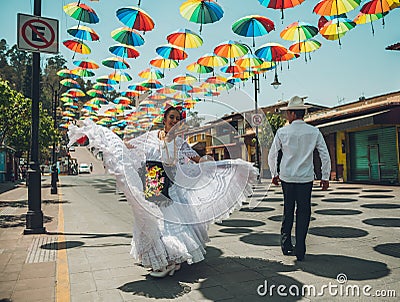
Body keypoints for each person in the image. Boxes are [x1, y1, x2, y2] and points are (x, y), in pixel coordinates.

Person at [68, 105, 258, 277]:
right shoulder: (149, 137)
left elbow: (197, 160)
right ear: (164, 120)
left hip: (170, 190)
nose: (174, 121)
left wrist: (222, 166)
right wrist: (108, 143)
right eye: (172, 118)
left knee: (168, 225)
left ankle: (171, 260)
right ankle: (164, 260)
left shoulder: (180, 144)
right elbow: (128, 146)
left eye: (178, 119)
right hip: (151, 185)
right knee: (153, 222)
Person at [268, 96, 331, 262]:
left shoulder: (282, 132)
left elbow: (272, 154)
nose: (286, 116)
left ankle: (286, 244)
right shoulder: (314, 131)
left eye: (287, 113)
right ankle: (300, 247)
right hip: (305, 179)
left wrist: (274, 173)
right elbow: (324, 154)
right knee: (304, 211)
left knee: (288, 210)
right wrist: (325, 176)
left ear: (292, 114)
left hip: (287, 178)